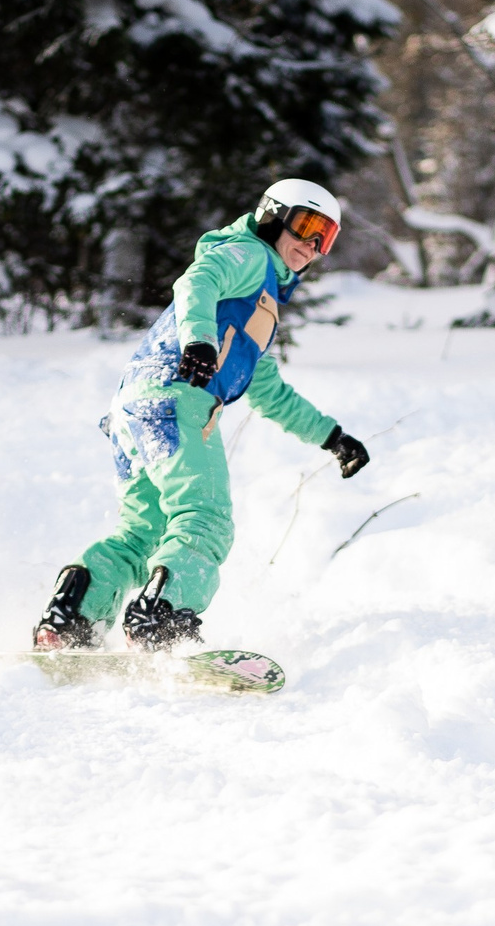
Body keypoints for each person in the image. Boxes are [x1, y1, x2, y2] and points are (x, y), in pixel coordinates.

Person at [33, 178, 372, 652]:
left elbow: (268, 390)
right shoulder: (249, 255)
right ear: (272, 216)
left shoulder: (258, 304)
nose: (312, 245)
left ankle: (72, 618)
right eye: (306, 226)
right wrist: (198, 340)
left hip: (135, 409)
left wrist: (332, 437)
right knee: (205, 519)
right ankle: (160, 618)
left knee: (143, 533)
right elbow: (198, 280)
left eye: (325, 238)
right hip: (178, 401)